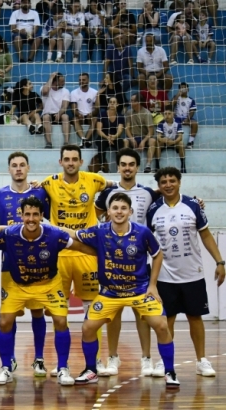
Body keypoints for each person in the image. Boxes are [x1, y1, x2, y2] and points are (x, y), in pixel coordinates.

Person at [74, 193, 180, 388]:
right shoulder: (100, 231)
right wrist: (48, 229)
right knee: (88, 328)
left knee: (161, 325)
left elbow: (157, 255)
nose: (119, 212)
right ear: (108, 212)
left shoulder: (142, 232)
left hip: (139, 291)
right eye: (115, 208)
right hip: (110, 292)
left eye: (123, 208)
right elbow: (73, 235)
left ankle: (170, 371)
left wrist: (153, 285)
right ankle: (91, 370)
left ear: (130, 212)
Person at [0, 197, 95, 386]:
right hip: (18, 285)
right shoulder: (10, 234)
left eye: (35, 215)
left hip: (49, 285)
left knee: (61, 321)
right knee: (5, 322)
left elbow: (81, 246)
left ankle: (63, 368)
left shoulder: (55, 235)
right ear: (21, 216)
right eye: (27, 214)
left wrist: (106, 254)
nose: (31, 219)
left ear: (41, 216)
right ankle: (6, 368)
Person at [41, 144, 113, 377]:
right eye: (67, 159)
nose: (70, 163)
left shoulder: (94, 180)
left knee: (93, 310)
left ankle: (96, 361)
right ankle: (61, 363)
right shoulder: (49, 183)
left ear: (81, 162)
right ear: (60, 162)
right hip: (60, 254)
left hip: (87, 252)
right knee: (58, 311)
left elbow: (116, 185)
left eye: (74, 159)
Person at [147, 167, 224, 379]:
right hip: (164, 276)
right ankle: (165, 362)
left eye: (172, 180)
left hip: (192, 274)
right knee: (167, 320)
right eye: (164, 182)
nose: (168, 184)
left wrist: (219, 261)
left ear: (179, 182)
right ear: (159, 186)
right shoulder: (153, 210)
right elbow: (147, 241)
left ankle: (201, 361)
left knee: (195, 317)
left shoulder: (193, 205)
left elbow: (206, 235)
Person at [94, 148, 161, 377]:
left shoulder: (148, 193)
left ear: (137, 167)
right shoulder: (108, 193)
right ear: (119, 167)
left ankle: (146, 358)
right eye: (123, 164)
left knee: (143, 314)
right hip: (112, 263)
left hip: (139, 262)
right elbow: (93, 213)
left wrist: (198, 201)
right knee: (113, 313)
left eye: (131, 164)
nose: (127, 168)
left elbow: (168, 198)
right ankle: (113, 357)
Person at [0, 152, 50, 376]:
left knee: (37, 312)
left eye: (22, 165)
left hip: (38, 263)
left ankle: (39, 358)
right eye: (14, 165)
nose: (18, 169)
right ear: (9, 169)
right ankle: (10, 359)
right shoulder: (0, 194)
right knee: (10, 313)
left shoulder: (40, 192)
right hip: (10, 263)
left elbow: (52, 221)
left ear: (28, 168)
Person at [91, 96, 125, 173]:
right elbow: (99, 130)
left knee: (120, 142)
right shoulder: (102, 114)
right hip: (103, 136)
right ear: (108, 104)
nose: (112, 104)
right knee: (101, 142)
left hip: (114, 137)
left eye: (114, 102)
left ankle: (119, 167)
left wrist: (114, 136)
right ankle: (102, 167)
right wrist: (107, 137)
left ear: (117, 104)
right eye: (110, 102)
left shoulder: (120, 116)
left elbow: (120, 130)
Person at [124, 93, 156, 173]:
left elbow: (151, 131)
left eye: (132, 101)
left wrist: (144, 141)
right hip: (133, 136)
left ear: (138, 102)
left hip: (144, 137)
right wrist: (131, 138)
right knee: (125, 141)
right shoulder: (129, 112)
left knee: (152, 141)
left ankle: (148, 165)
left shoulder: (146, 113)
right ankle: (125, 164)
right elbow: (127, 128)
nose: (130, 103)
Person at [153, 104, 187, 173]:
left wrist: (173, 142)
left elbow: (180, 137)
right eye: (165, 114)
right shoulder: (161, 123)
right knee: (158, 143)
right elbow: (158, 137)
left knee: (181, 144)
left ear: (173, 114)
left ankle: (183, 166)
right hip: (165, 142)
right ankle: (157, 166)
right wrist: (164, 140)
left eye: (169, 114)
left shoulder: (177, 123)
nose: (167, 115)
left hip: (174, 142)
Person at [41, 72, 71, 149]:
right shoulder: (45, 88)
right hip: (47, 114)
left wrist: (59, 114)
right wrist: (51, 77)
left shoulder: (65, 91)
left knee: (65, 116)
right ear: (55, 82)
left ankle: (66, 142)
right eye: (62, 81)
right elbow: (44, 92)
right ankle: (49, 142)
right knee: (46, 117)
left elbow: (65, 106)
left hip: (60, 113)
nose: (64, 83)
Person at [70, 72, 98, 146]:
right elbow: (73, 109)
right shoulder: (74, 93)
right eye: (80, 80)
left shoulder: (95, 92)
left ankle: (86, 139)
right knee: (74, 119)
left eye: (83, 80)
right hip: (80, 116)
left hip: (90, 116)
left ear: (88, 80)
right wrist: (78, 114)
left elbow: (96, 109)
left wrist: (91, 114)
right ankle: (83, 138)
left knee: (95, 119)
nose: (81, 81)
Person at [172, 82, 198, 150]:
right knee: (174, 124)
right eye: (181, 88)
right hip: (177, 118)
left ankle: (190, 142)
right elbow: (172, 104)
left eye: (184, 88)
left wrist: (188, 119)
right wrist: (178, 94)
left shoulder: (191, 100)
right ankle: (175, 142)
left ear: (188, 89)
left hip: (186, 118)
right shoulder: (176, 97)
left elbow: (192, 111)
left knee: (195, 123)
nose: (183, 89)